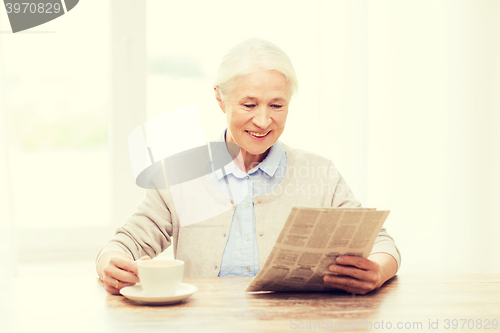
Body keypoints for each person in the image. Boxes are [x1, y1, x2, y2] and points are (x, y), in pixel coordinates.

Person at [96, 38, 400, 295]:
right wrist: (111, 263)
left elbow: (381, 243)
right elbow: (124, 243)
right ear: (220, 99)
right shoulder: (180, 172)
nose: (264, 121)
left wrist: (379, 270)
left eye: (277, 105)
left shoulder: (319, 173)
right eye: (249, 104)